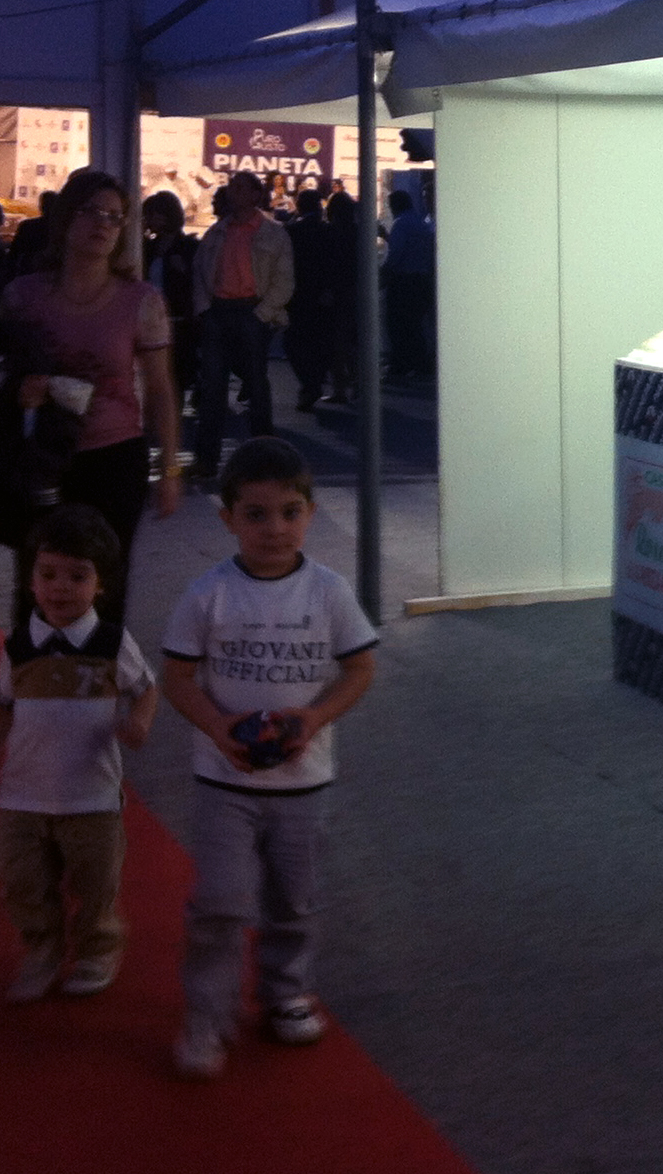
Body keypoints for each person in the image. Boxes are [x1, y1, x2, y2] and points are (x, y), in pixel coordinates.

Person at [161, 437, 378, 1079]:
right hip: (224, 781)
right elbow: (177, 677)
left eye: (289, 512)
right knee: (219, 903)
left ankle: (286, 991)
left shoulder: (330, 592)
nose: (274, 528)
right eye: (255, 514)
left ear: (311, 512)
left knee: (295, 900)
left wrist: (315, 717)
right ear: (227, 518)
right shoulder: (208, 594)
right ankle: (208, 1013)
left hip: (302, 783)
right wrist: (218, 727)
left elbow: (360, 668)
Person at [2, 169, 183, 629]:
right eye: (92, 212)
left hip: (114, 457)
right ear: (66, 217)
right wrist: (19, 392)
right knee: (37, 580)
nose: (103, 224)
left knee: (105, 582)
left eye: (115, 217)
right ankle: (32, 669)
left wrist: (169, 469)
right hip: (40, 457)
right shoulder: (23, 296)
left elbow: (160, 389)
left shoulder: (140, 301)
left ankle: (99, 670)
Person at [0, 506, 157, 1003]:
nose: (60, 588)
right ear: (30, 579)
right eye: (47, 575)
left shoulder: (111, 643)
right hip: (23, 794)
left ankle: (97, 948)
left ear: (101, 584)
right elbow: (5, 701)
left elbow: (145, 687)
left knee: (96, 882)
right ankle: (42, 949)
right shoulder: (18, 645)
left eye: (77, 576)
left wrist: (139, 722)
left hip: (92, 794)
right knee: (24, 882)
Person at [191, 171, 293, 483]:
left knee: (256, 387)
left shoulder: (272, 233)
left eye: (239, 187)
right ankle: (207, 459)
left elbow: (284, 279)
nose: (232, 192)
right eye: (231, 187)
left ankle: (265, 458)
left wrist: (262, 314)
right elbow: (200, 271)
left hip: (251, 309)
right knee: (214, 388)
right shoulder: (218, 231)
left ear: (255, 194)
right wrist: (205, 309)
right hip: (221, 310)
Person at [141, 190, 198, 417]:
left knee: (176, 373)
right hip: (150, 316)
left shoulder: (188, 247)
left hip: (178, 318)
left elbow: (198, 281)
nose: (149, 220)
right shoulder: (147, 247)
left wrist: (183, 271)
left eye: (152, 215)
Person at [284, 189, 335, 411]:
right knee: (320, 339)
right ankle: (315, 379)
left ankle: (309, 382)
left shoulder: (291, 230)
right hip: (322, 294)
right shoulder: (328, 231)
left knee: (294, 341)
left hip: (297, 293)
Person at [381, 189, 434, 380]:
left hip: (403, 281)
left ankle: (400, 364)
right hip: (421, 279)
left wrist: (383, 274)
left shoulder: (400, 223)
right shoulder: (421, 222)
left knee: (397, 324)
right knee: (414, 325)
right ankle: (420, 363)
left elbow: (395, 254)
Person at [321, 190, 360, 403]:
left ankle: (340, 389)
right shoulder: (358, 232)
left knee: (336, 342)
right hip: (356, 291)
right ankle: (359, 383)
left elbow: (328, 264)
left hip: (336, 292)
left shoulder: (330, 233)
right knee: (354, 341)